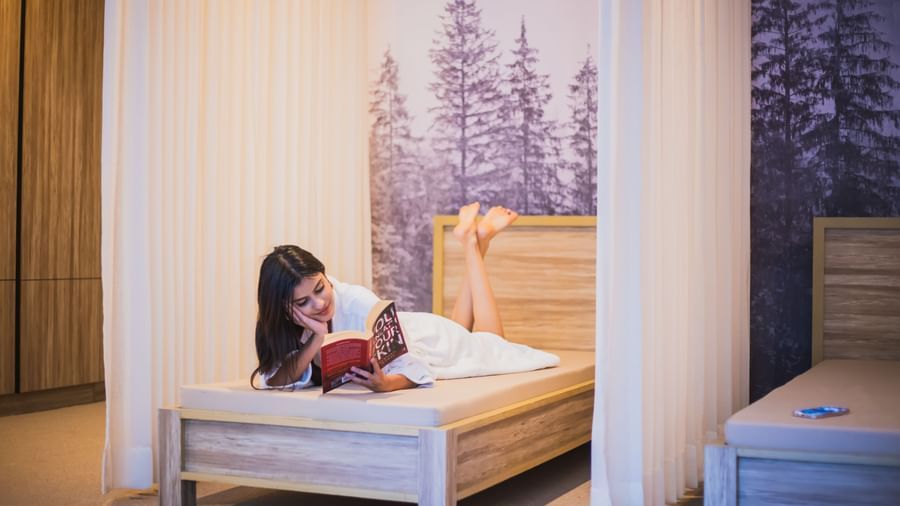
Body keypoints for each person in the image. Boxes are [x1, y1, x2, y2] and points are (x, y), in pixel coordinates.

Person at [251, 203, 558, 392]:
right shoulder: (283, 325)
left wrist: (386, 384)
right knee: (466, 331)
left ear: (324, 274)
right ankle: (476, 240)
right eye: (302, 302)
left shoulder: (357, 301)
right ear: (283, 308)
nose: (319, 304)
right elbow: (272, 379)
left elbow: (414, 365)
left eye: (320, 288)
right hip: (421, 331)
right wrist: (317, 338)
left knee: (494, 342)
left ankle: (471, 243)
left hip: (425, 338)